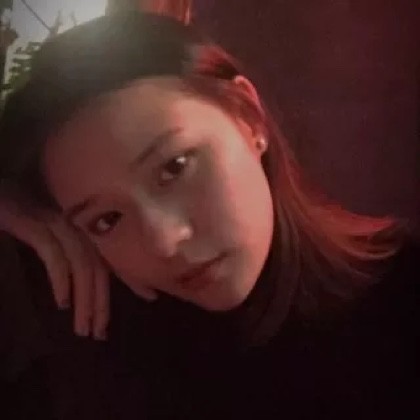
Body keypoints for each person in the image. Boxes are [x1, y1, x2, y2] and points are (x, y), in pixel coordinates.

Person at [0, 11, 418, 419]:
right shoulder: (107, 338)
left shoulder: (402, 297)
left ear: (247, 117)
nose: (164, 242)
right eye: (107, 220)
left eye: (174, 167)